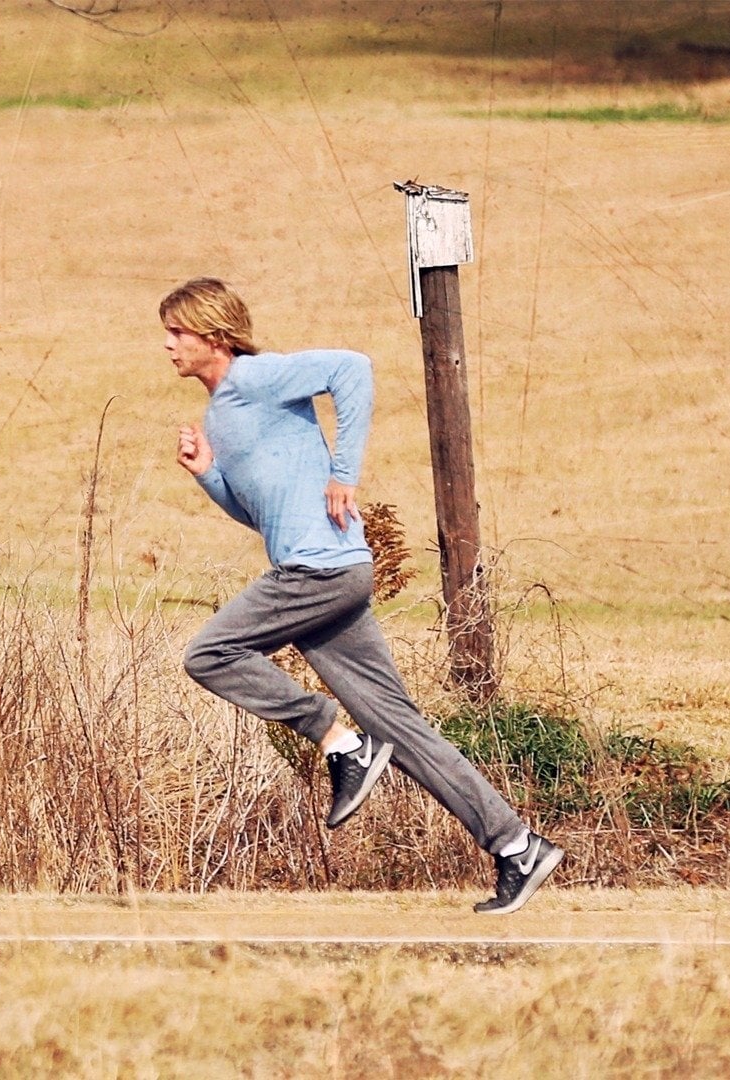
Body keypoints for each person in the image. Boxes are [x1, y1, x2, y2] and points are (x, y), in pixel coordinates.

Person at [162, 277, 561, 915]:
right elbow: (259, 516)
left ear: (212, 334)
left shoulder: (256, 378)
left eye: (177, 332)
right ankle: (517, 846)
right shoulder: (222, 415)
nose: (168, 345)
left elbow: (353, 368)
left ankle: (338, 740)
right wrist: (208, 473)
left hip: (316, 573)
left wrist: (344, 473)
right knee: (397, 728)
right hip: (331, 577)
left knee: (209, 654)